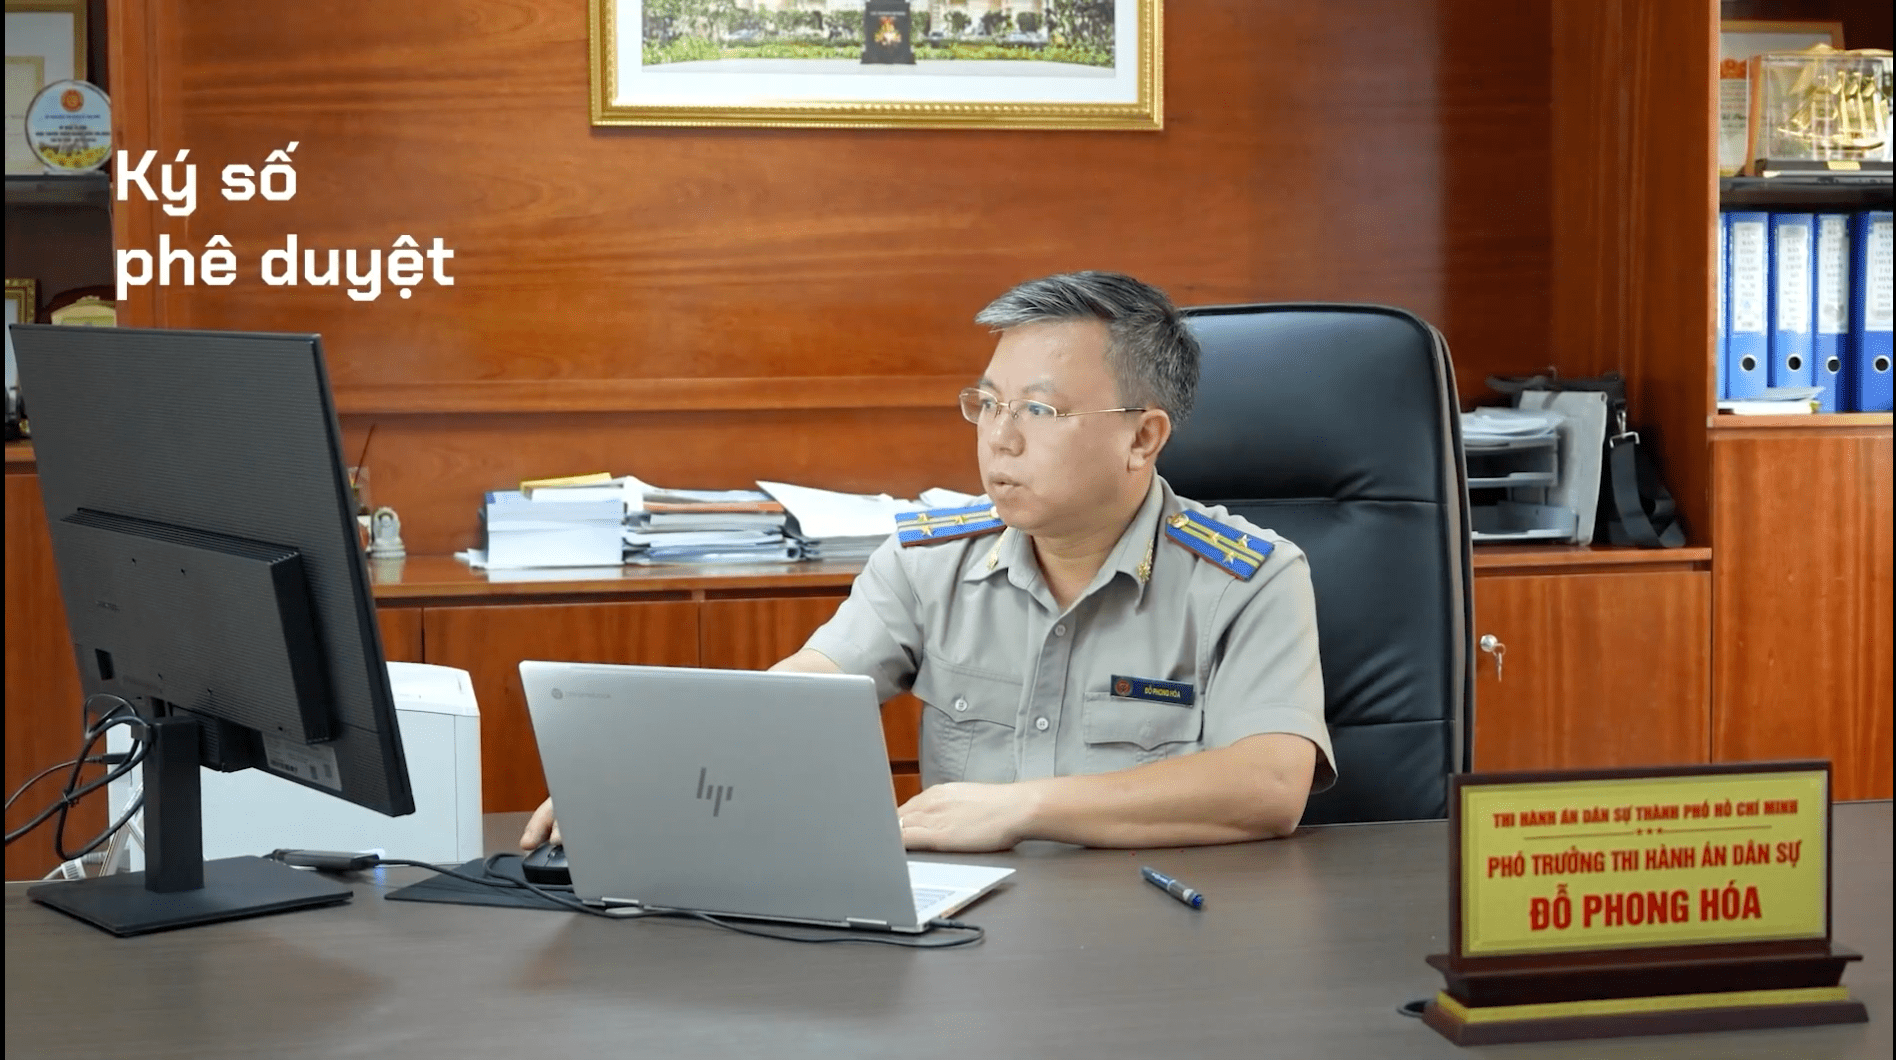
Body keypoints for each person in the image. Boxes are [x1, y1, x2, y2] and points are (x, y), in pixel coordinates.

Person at [522, 271, 1333, 853]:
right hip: (967, 928)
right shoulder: (929, 559)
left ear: (1143, 437)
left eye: (1039, 409)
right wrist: (649, 770)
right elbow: (805, 688)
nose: (999, 438)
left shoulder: (1251, 579)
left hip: (1160, 932)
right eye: (988, 403)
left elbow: (1267, 785)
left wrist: (1023, 808)